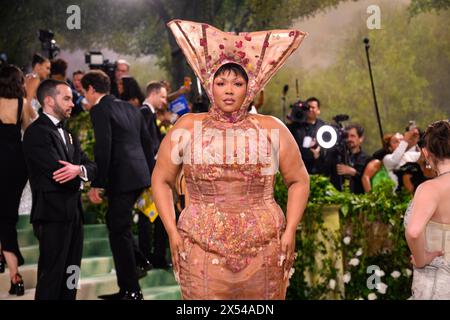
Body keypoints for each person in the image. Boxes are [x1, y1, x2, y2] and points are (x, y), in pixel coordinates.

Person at [152, 19, 309, 300]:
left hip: (265, 247)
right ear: (209, 85)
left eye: (237, 83)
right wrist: (172, 231)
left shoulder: (272, 128)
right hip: (199, 247)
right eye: (221, 82)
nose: (228, 89)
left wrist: (291, 230)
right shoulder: (187, 127)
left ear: (251, 88)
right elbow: (161, 179)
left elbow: (298, 180)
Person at [81, 70, 154, 300]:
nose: (85, 96)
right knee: (118, 226)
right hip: (139, 176)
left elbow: (104, 146)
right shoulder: (131, 108)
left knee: (117, 230)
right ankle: (140, 264)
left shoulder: (101, 109)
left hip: (121, 177)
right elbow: (147, 144)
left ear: (92, 89)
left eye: (85, 91)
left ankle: (131, 290)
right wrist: (149, 177)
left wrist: (97, 183)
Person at [22, 79, 96, 300]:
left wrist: (79, 170)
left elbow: (91, 166)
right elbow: (58, 174)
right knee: (52, 276)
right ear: (48, 100)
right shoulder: (36, 133)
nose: (72, 103)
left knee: (72, 273)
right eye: (66, 98)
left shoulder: (69, 132)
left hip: (74, 214)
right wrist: (79, 173)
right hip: (51, 215)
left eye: (72, 99)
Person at [0, 65, 37, 296]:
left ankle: (14, 273)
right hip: (16, 163)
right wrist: (29, 97)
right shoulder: (22, 104)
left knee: (3, 218)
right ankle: (12, 270)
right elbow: (31, 130)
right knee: (7, 215)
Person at [405, 120, 450, 299]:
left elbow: (414, 232)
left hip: (438, 281)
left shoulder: (430, 189)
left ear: (425, 152)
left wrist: (422, 258)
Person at [139, 81, 169, 268]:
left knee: (158, 215)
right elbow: (146, 144)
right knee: (146, 216)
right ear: (154, 94)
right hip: (149, 173)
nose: (165, 101)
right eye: (164, 96)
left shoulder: (149, 114)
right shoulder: (143, 113)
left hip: (154, 172)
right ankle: (147, 257)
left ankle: (157, 257)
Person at [287, 97, 327, 174]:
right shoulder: (296, 125)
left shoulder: (323, 127)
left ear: (318, 110)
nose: (310, 109)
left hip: (317, 169)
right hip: (298, 168)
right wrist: (293, 113)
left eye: (313, 107)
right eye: (308, 107)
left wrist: (318, 154)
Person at [331, 124, 369, 194]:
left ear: (361, 139)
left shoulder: (367, 159)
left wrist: (353, 172)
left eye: (352, 136)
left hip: (359, 198)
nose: (349, 139)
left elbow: (368, 180)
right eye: (346, 136)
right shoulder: (338, 157)